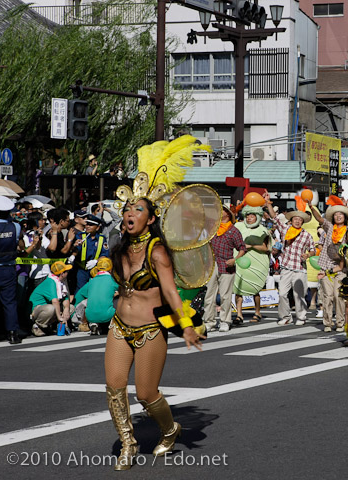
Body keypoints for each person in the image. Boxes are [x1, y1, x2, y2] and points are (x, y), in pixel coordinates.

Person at [105, 136, 207, 470]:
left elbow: (171, 292)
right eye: (127, 208)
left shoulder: (157, 251)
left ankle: (169, 428)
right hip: (120, 327)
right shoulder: (119, 248)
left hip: (150, 330)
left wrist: (188, 327)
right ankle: (128, 445)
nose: (130, 212)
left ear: (151, 219)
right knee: (114, 388)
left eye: (138, 209)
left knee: (146, 394)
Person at [263, 196, 316, 326]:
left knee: (299, 295)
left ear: (303, 222)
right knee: (282, 294)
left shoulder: (306, 235)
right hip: (286, 267)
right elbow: (274, 217)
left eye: (300, 219)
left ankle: (301, 317)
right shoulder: (285, 230)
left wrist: (308, 255)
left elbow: (313, 250)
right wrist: (268, 203)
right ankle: (285, 316)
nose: (297, 221)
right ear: (291, 220)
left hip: (300, 268)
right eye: (295, 219)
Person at [309, 198, 348, 332]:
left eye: (341, 214)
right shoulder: (330, 227)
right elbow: (320, 220)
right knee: (327, 296)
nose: (338, 216)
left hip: (341, 267)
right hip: (326, 265)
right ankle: (327, 323)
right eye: (336, 214)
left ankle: (340, 323)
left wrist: (347, 207)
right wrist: (312, 207)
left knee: (338, 295)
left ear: (345, 217)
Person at [203, 206, 245, 332]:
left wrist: (235, 259)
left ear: (227, 214)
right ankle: (209, 321)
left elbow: (242, 248)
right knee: (209, 295)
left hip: (227, 264)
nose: (219, 212)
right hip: (211, 264)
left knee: (225, 296)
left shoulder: (233, 230)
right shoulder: (212, 228)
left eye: (222, 210)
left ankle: (225, 321)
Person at [233, 204, 272, 323]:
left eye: (252, 216)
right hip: (240, 259)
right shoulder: (238, 227)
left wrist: (251, 246)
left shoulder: (262, 230)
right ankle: (239, 314)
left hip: (257, 261)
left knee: (255, 288)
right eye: (248, 215)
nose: (249, 218)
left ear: (258, 217)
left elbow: (266, 248)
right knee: (238, 287)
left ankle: (257, 312)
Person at [0, 195, 23, 344]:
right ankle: (13, 334)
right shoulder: (16, 226)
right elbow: (20, 245)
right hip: (9, 269)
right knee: (10, 302)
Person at [72, 257, 119, 335]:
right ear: (110, 270)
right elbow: (124, 291)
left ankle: (94, 323)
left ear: (97, 269)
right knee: (119, 300)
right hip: (107, 315)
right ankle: (112, 324)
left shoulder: (91, 281)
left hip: (89, 315)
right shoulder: (112, 280)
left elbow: (80, 295)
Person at [29, 261, 73, 336]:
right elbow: (55, 302)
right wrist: (60, 318)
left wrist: (66, 309)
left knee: (71, 308)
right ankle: (37, 326)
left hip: (48, 307)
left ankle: (53, 326)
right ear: (62, 274)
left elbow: (65, 298)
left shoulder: (61, 283)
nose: (68, 273)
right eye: (66, 272)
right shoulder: (51, 282)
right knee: (51, 309)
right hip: (37, 309)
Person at [73, 214, 110, 293]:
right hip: (82, 270)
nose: (88, 226)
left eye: (91, 225)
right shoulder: (80, 236)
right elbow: (75, 250)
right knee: (80, 291)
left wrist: (96, 261)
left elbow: (105, 254)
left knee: (94, 290)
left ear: (97, 228)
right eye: (87, 224)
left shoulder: (102, 238)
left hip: (95, 269)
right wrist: (74, 246)